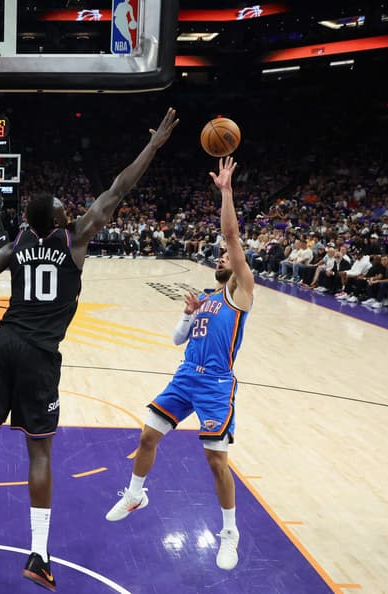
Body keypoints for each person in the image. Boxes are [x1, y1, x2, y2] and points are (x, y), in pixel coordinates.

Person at [0, 108, 179, 590]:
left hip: (3, 344)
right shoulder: (75, 239)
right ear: (54, 218)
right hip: (38, 356)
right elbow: (118, 189)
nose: (66, 207)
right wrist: (153, 146)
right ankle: (38, 555)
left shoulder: (15, 246)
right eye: (60, 205)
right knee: (39, 452)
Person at [104, 156, 253, 572]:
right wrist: (188, 313)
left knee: (215, 461)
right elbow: (176, 339)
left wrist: (226, 192)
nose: (222, 257)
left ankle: (229, 532)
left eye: (227, 257)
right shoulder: (206, 298)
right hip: (185, 377)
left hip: (216, 385)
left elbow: (231, 235)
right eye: (220, 257)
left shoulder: (239, 294)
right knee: (148, 436)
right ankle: (135, 494)